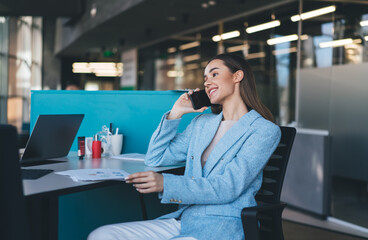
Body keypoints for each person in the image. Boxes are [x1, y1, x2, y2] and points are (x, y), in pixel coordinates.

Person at [88, 54, 281, 240]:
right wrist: (175, 113)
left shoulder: (263, 130)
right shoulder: (202, 123)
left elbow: (228, 187)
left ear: (237, 76)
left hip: (222, 224)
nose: (206, 82)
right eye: (205, 78)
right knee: (102, 235)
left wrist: (166, 184)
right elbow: (155, 158)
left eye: (214, 74)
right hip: (185, 218)